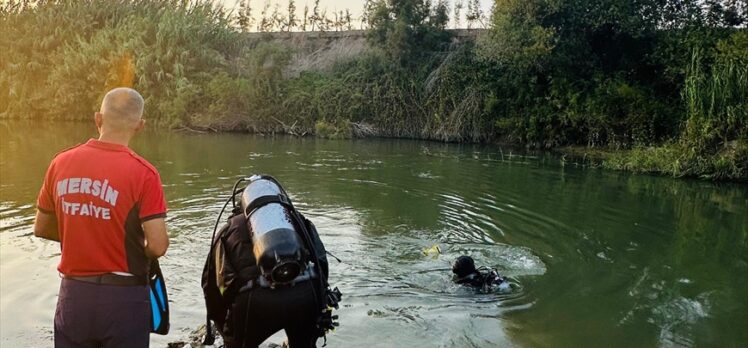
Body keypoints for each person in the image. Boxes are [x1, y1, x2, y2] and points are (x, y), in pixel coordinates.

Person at [33, 87, 169, 348]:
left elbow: (41, 227)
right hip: (124, 299)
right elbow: (158, 245)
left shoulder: (60, 163)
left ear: (98, 119)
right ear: (140, 125)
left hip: (73, 297)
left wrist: (83, 235)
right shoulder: (144, 174)